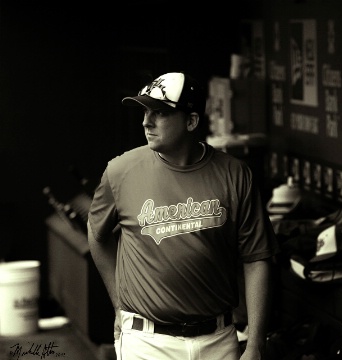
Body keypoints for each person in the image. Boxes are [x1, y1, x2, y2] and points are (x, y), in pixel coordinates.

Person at [87, 71, 279, 360]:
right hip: (146, 340)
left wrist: (255, 343)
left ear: (191, 121)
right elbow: (96, 234)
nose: (146, 121)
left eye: (160, 112)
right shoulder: (121, 171)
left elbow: (257, 258)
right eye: (145, 111)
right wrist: (118, 305)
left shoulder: (235, 174)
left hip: (219, 338)